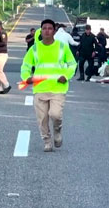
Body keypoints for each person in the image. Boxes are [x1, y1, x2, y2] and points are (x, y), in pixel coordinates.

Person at [20, 19, 77, 152]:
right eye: (44, 28)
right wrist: (26, 77)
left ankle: (57, 131)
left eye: (49, 28)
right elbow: (26, 66)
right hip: (40, 88)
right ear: (41, 30)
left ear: (54, 31)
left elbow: (72, 64)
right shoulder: (35, 48)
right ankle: (47, 141)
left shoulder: (62, 47)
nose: (47, 31)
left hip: (58, 88)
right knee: (43, 118)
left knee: (55, 114)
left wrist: (66, 76)